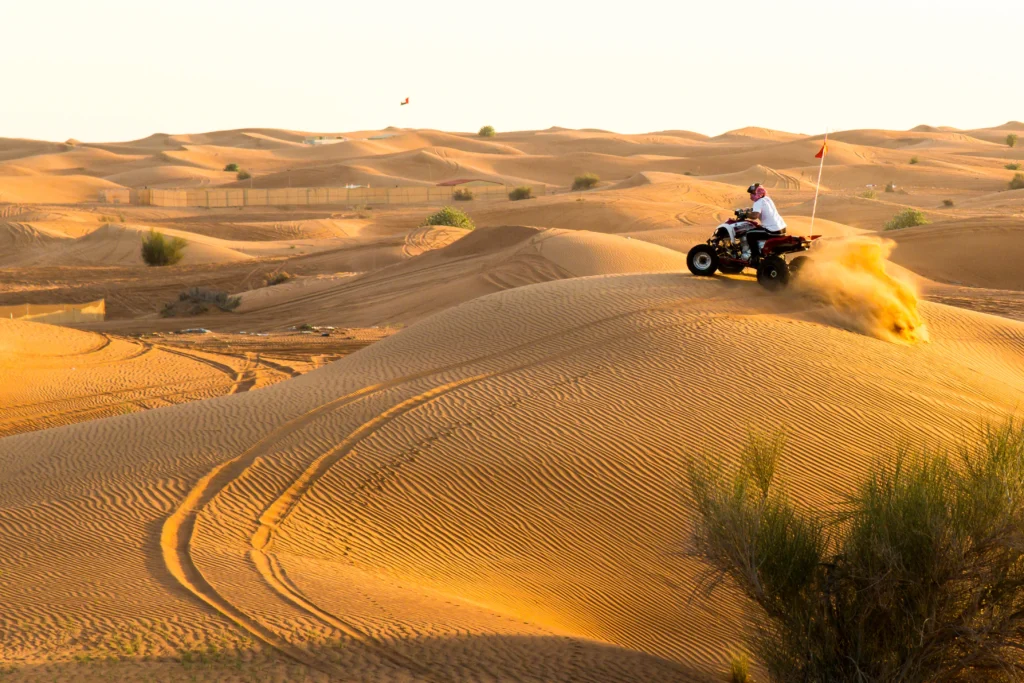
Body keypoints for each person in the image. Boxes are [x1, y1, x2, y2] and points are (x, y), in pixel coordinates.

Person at [742, 183, 787, 265]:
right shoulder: (767, 199)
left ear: (757, 193)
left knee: (749, 234)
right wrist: (750, 210)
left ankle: (755, 257)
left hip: (772, 230)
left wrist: (745, 214)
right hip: (782, 229)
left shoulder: (758, 202)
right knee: (758, 230)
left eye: (752, 193)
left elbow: (755, 216)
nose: (751, 196)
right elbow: (761, 209)